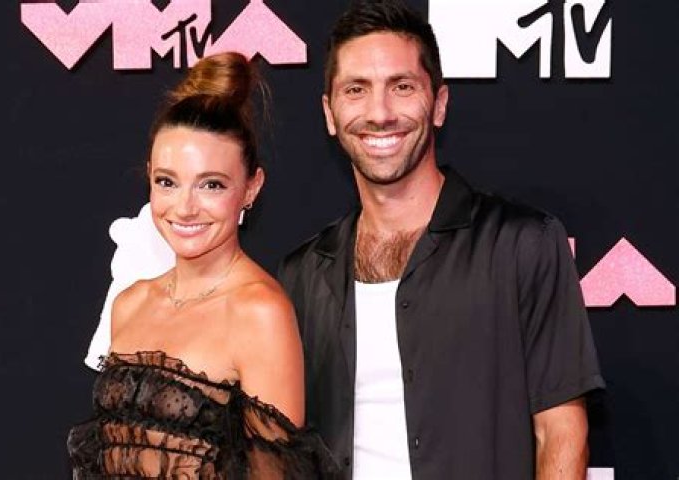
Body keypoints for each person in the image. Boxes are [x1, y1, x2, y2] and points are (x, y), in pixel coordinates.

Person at [277, 1, 605, 479]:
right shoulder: (302, 273)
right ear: (330, 113)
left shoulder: (521, 244)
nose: (380, 113)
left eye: (402, 87)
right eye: (356, 90)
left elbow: (561, 435)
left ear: (440, 104)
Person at [68, 52, 336, 479]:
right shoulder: (131, 303)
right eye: (167, 182)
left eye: (211, 185)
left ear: (251, 188)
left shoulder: (260, 313)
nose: (185, 207)